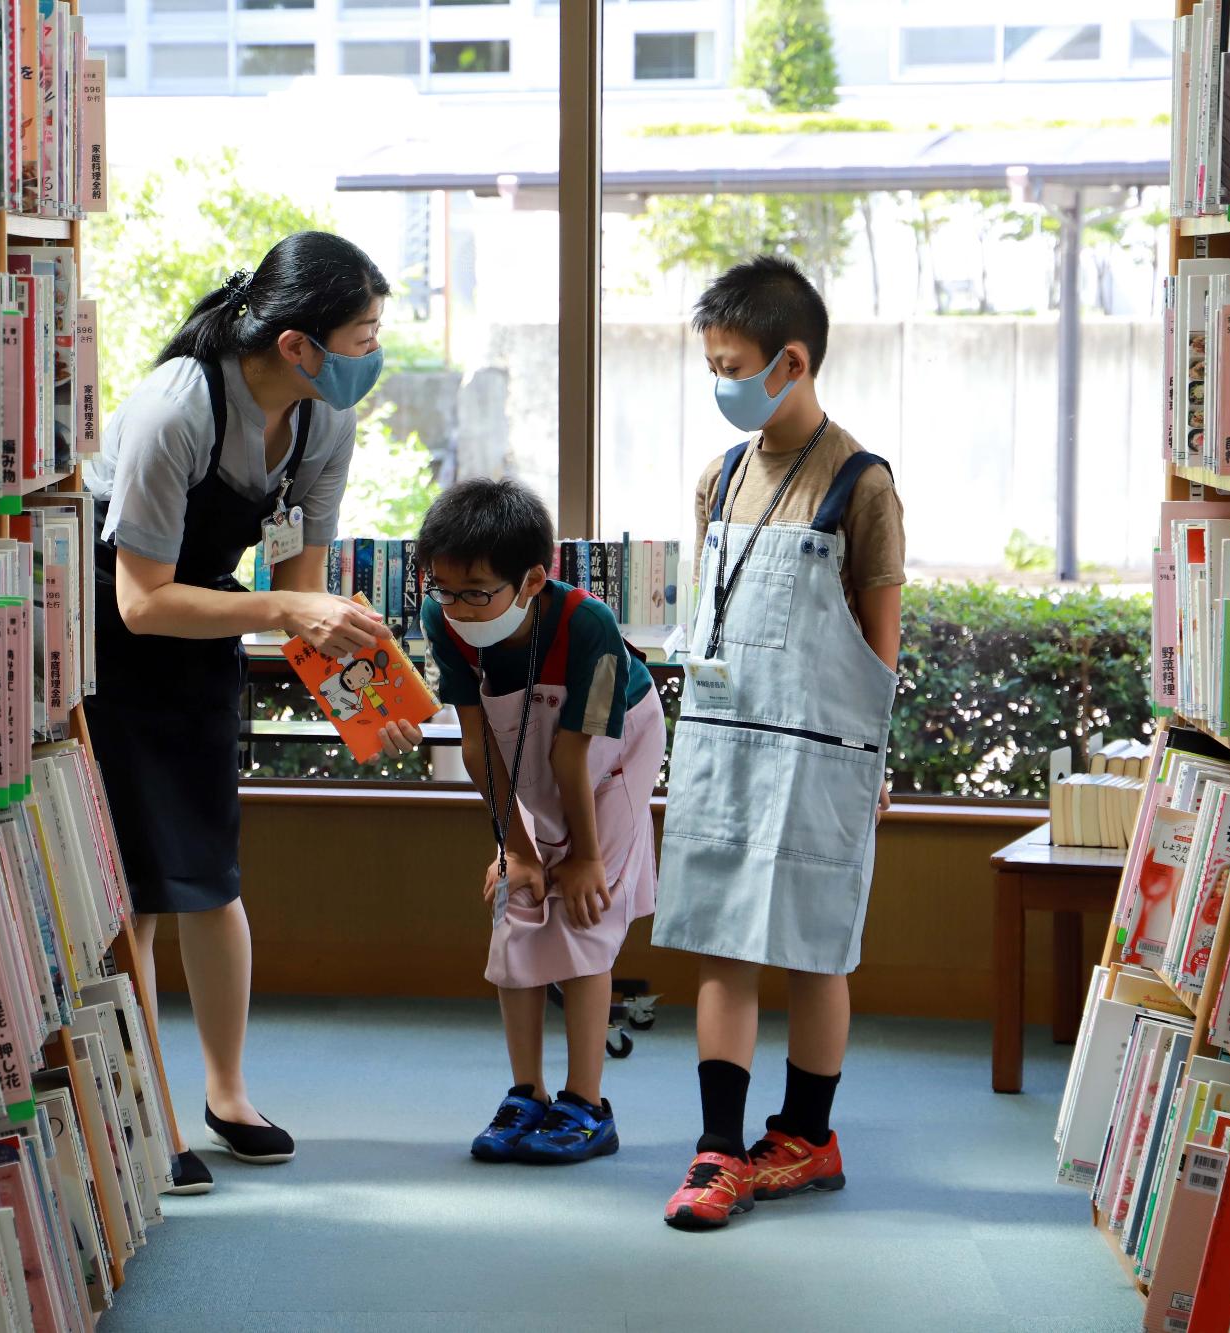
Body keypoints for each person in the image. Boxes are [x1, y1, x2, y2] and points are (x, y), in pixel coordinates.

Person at [84, 232, 422, 1195]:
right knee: (138, 893)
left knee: (211, 873)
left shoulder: (323, 422)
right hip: (116, 641)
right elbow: (141, 601)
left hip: (210, 629)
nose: (374, 352)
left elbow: (299, 588)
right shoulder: (177, 406)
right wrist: (283, 610)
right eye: (363, 333)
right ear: (297, 344)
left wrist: (367, 703)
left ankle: (227, 1095)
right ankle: (143, 1113)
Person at [653, 256, 907, 1230]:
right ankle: (717, 1149)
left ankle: (804, 1137)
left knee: (812, 952)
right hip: (724, 745)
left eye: (730, 365)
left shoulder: (860, 484)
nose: (719, 383)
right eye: (710, 364)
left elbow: (877, 651)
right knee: (720, 941)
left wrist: (871, 763)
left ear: (790, 361)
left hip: (817, 753)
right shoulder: (717, 480)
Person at [416, 479, 664, 1165]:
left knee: (584, 907)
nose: (458, 607)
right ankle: (527, 1090)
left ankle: (588, 1104)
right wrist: (517, 848)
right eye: (442, 588)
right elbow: (477, 746)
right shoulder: (446, 622)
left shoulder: (589, 625)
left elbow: (573, 755)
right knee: (519, 898)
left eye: (476, 591)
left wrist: (583, 856)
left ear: (532, 579)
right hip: (526, 736)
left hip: (615, 749)